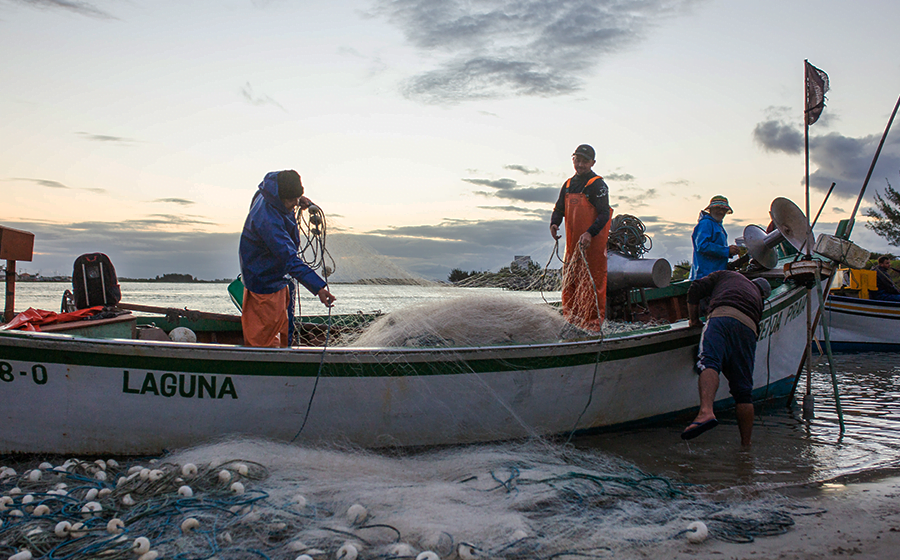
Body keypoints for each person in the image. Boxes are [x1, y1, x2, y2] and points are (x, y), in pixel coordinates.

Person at [239, 170, 336, 347]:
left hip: (277, 278)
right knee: (263, 341)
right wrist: (319, 287)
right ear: (280, 197)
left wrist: (301, 201)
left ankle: (285, 355)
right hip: (264, 284)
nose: (294, 204)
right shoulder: (268, 221)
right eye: (292, 200)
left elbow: (289, 200)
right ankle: (266, 371)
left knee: (284, 332)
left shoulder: (267, 193)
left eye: (296, 198)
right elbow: (289, 258)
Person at [681, 270, 771, 447]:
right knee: (743, 391)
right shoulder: (758, 301)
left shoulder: (727, 275)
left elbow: (695, 288)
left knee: (709, 362)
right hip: (748, 328)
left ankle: (706, 411)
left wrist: (693, 320)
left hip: (722, 316)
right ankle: (746, 445)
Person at [549, 144, 612, 331]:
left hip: (592, 246)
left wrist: (589, 233)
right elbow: (559, 208)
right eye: (578, 160)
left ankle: (593, 326)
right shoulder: (568, 184)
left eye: (585, 161)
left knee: (592, 284)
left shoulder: (597, 185)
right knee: (570, 283)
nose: (581, 164)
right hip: (573, 246)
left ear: (592, 163)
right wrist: (554, 223)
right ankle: (571, 321)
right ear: (573, 159)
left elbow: (604, 214)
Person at [690, 195, 740, 280]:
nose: (720, 212)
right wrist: (727, 250)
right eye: (717, 208)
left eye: (723, 209)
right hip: (705, 276)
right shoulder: (706, 223)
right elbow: (702, 246)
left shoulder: (718, 226)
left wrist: (731, 252)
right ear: (711, 209)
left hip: (717, 274)